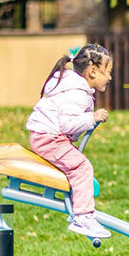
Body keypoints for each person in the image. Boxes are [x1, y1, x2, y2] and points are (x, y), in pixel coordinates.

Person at [27, 43, 114, 240]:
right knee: (81, 167)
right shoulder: (77, 94)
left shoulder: (74, 87)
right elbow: (67, 124)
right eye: (107, 72)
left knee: (77, 165)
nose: (110, 77)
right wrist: (92, 118)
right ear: (92, 71)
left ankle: (79, 208)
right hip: (49, 138)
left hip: (46, 136)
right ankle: (83, 217)